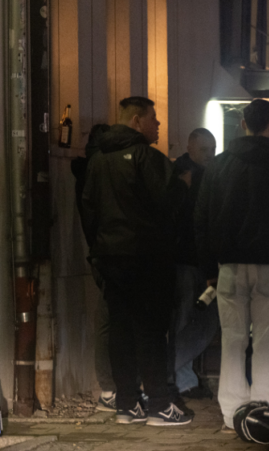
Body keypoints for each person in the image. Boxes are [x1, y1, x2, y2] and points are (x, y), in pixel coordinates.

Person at [195, 99, 269, 428]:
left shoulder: (218, 166)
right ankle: (263, 406)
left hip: (229, 265)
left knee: (233, 339)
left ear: (243, 123)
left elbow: (201, 220)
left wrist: (209, 269)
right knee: (268, 340)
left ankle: (233, 412)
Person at [81, 96, 191, 426]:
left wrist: (98, 251)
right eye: (153, 118)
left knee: (120, 329)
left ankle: (128, 404)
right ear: (136, 121)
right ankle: (160, 404)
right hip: (147, 257)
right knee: (151, 330)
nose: (157, 124)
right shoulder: (146, 157)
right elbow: (171, 205)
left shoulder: (98, 160)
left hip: (110, 257)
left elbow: (88, 210)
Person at [71, 124, 120, 412]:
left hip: (101, 253)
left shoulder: (88, 171)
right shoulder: (98, 172)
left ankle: (111, 388)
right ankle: (110, 389)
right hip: (108, 254)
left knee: (108, 321)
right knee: (108, 321)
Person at [172, 128, 220, 401]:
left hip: (187, 259)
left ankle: (181, 377)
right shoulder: (194, 177)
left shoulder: (180, 173)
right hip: (192, 260)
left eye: (212, 150)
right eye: (205, 150)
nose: (210, 155)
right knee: (199, 321)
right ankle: (176, 374)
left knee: (187, 321)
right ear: (191, 147)